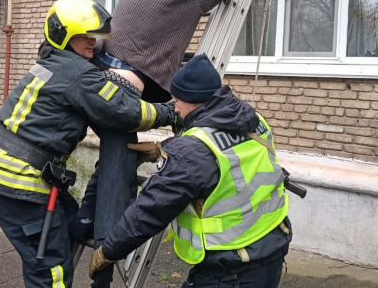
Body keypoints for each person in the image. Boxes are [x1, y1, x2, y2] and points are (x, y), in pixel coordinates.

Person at [0, 0, 176, 288]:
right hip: (20, 183)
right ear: (64, 35)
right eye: (85, 35)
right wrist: (171, 113)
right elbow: (127, 111)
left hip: (5, 172)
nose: (93, 42)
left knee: (72, 222)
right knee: (49, 268)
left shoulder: (51, 62)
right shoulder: (80, 75)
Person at [76, 0, 246, 287]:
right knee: (119, 170)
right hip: (124, 90)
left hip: (97, 76)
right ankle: (104, 268)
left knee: (113, 157)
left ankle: (82, 223)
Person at [88, 54, 292, 288]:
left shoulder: (191, 153)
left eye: (176, 100)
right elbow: (222, 150)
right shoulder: (253, 119)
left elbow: (149, 211)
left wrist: (108, 251)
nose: (175, 108)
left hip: (230, 271)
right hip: (271, 245)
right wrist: (162, 148)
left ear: (194, 101)